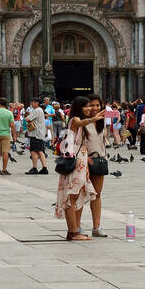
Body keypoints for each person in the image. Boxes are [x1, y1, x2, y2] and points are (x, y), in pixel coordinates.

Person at [55, 97, 98, 241]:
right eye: (86, 106)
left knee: (76, 195)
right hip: (75, 161)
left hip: (80, 160)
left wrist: (86, 161)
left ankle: (73, 231)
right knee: (71, 196)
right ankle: (73, 232)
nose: (89, 109)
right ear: (78, 107)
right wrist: (94, 118)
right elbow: (80, 122)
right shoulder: (75, 119)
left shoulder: (79, 122)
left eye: (89, 106)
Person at [81, 96, 109, 238]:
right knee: (79, 195)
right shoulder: (80, 122)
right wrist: (84, 157)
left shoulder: (101, 122)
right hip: (83, 162)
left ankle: (96, 226)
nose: (95, 108)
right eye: (92, 105)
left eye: (98, 105)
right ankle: (77, 226)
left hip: (98, 161)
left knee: (97, 195)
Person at [23, 98, 48, 174]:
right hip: (39, 134)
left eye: (33, 102)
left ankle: (35, 168)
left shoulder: (37, 110)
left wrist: (27, 116)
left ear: (37, 103)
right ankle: (44, 168)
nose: (32, 104)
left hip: (35, 134)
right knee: (40, 151)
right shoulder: (40, 110)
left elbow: (27, 119)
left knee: (34, 151)